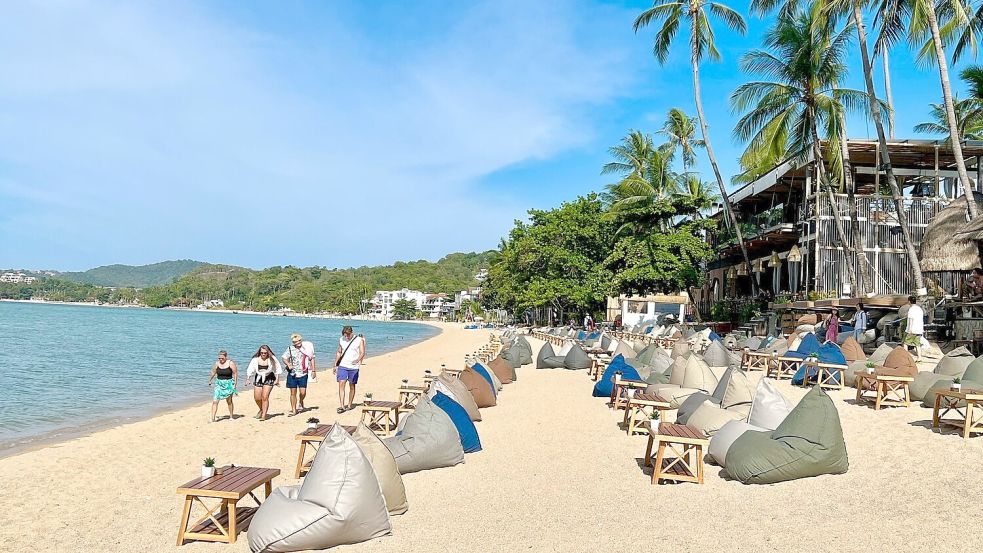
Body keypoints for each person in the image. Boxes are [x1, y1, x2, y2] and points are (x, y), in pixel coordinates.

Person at [282, 333, 316, 416]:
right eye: (295, 342)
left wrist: (313, 370)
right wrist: (288, 364)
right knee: (293, 393)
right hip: (293, 374)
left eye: (299, 341)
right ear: (293, 342)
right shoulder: (290, 349)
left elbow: (312, 358)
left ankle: (301, 401)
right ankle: (294, 410)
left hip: (303, 373)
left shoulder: (306, 348)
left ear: (301, 340)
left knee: (303, 392)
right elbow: (284, 358)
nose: (297, 343)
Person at [334, 326, 366, 413]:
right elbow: (339, 352)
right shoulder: (341, 339)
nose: (346, 337)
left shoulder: (359, 340)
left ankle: (349, 404)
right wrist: (335, 364)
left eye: (348, 335)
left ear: (352, 332)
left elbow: (362, 352)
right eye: (345, 335)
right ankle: (342, 405)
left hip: (353, 367)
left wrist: (358, 360)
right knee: (341, 383)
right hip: (343, 365)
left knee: (352, 385)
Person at [246, 344, 281, 421]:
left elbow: (277, 368)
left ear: (268, 352)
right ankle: (261, 409)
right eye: (262, 353)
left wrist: (277, 379)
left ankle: (263, 415)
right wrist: (248, 378)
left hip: (269, 377)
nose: (263, 354)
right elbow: (250, 368)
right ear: (259, 352)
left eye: (265, 353)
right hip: (259, 377)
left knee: (265, 397)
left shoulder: (272, 358)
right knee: (257, 398)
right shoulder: (255, 359)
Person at [208, 350, 237, 422]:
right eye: (219, 358)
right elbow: (213, 372)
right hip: (219, 384)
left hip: (228, 384)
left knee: (229, 401)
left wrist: (235, 384)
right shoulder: (217, 364)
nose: (221, 360)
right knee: (215, 401)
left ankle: (231, 416)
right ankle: (213, 418)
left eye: (222, 358)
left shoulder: (231, 363)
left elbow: (235, 373)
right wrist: (210, 380)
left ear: (226, 357)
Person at [904, 295, 925, 360]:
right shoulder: (919, 309)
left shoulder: (911, 309)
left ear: (909, 301)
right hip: (919, 329)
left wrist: (910, 330)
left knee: (905, 343)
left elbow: (911, 320)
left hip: (912, 330)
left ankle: (906, 357)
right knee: (917, 345)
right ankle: (919, 358)